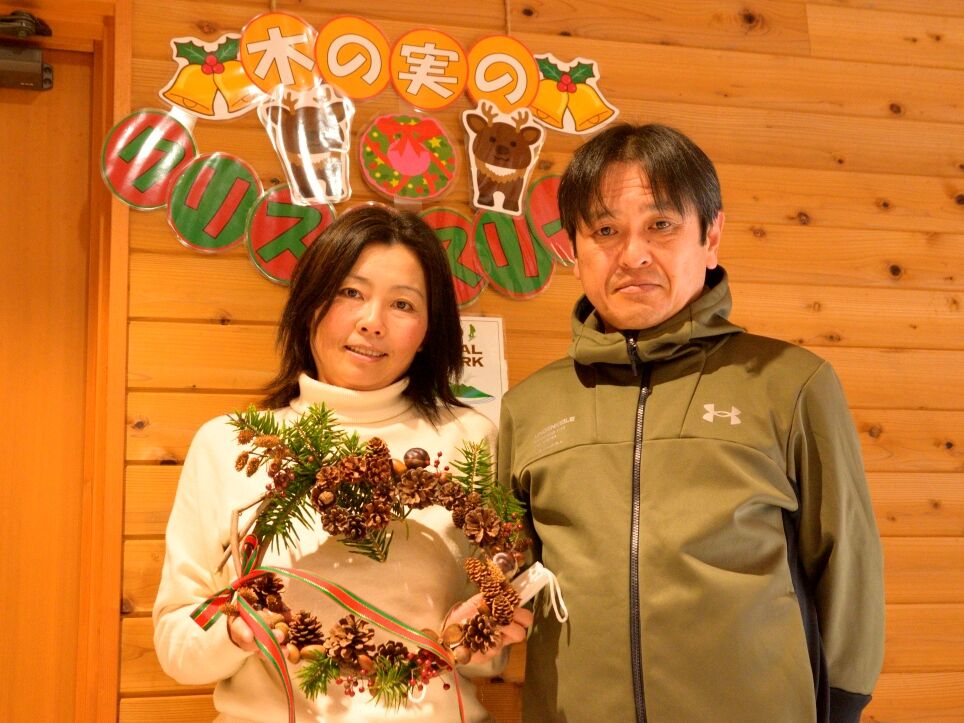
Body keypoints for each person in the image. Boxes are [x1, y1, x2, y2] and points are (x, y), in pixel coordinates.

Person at [497, 123, 884, 723]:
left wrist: (845, 703)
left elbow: (847, 562)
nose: (633, 255)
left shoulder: (790, 383)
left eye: (661, 225)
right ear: (574, 250)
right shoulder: (530, 407)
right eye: (605, 230)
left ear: (711, 236)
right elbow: (505, 573)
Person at [154, 204, 530, 723]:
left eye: (403, 304)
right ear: (309, 304)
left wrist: (483, 637)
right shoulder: (232, 445)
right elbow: (176, 639)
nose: (372, 322)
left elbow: (489, 643)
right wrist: (235, 633)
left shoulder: (470, 440)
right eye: (351, 293)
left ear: (429, 329)